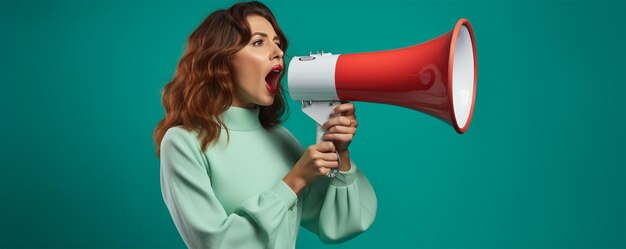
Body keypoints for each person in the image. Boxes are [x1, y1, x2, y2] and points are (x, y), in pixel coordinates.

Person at [152, 2, 377, 248]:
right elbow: (216, 243)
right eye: (259, 42)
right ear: (221, 61)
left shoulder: (280, 138)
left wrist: (339, 152)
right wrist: (294, 182)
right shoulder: (183, 141)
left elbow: (340, 224)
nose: (278, 52)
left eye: (277, 43)